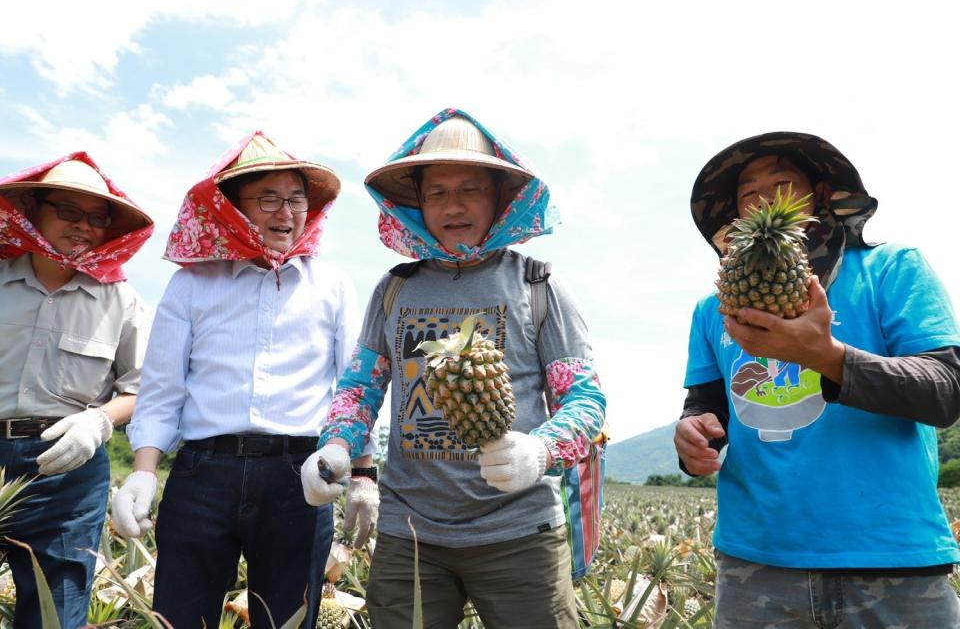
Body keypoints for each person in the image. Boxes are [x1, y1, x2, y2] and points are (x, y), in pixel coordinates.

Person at [300, 108, 607, 628]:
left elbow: (586, 400)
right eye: (437, 192)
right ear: (418, 204)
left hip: (518, 533)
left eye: (470, 189)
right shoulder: (395, 287)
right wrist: (335, 445)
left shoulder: (539, 286)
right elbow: (360, 389)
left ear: (498, 200)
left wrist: (541, 450)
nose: (453, 206)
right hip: (410, 534)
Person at [674, 132, 960, 627]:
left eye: (782, 183)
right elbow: (706, 406)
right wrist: (692, 436)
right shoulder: (711, 309)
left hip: (891, 560)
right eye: (748, 192)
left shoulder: (892, 269)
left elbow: (946, 391)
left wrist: (827, 356)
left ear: (820, 196)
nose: (764, 198)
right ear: (736, 217)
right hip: (755, 564)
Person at [110, 132, 371, 628]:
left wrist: (362, 472)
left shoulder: (332, 284)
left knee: (287, 621)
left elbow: (352, 387)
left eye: (296, 199)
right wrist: (144, 470)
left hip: (302, 473)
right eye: (268, 198)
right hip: (203, 473)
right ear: (231, 208)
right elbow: (164, 388)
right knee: (182, 618)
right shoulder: (192, 283)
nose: (286, 212)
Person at [0, 154, 153, 628]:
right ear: (34, 210)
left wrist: (100, 421)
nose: (83, 227)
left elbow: (141, 388)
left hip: (69, 470)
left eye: (96, 218)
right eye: (68, 211)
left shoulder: (121, 301)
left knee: (56, 611)